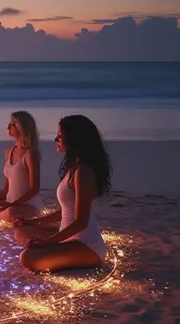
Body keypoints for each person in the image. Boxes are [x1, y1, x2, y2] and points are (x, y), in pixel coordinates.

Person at [14, 115, 110, 273]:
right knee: (21, 231)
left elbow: (81, 222)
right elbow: (65, 212)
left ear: (74, 138)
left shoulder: (83, 171)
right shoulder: (74, 168)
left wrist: (47, 243)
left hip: (86, 245)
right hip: (68, 235)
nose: (55, 139)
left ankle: (66, 255)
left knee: (27, 257)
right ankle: (58, 249)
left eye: (60, 135)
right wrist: (32, 222)